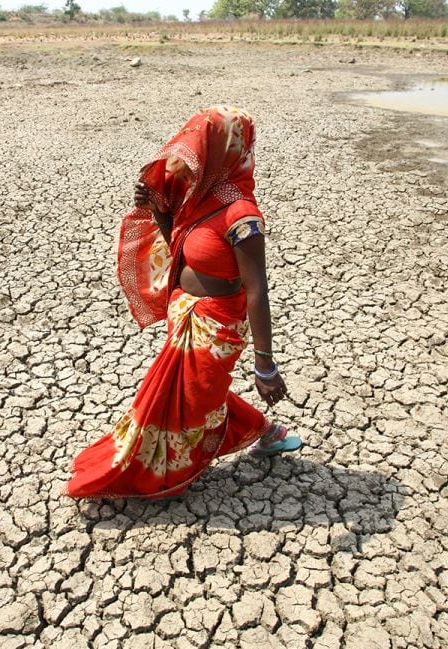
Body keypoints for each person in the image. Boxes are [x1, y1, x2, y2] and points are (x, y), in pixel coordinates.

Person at [66, 105, 301, 500]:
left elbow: (257, 290)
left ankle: (156, 472)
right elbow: (177, 246)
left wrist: (265, 365)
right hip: (185, 314)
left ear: (224, 152)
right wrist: (160, 211)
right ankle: (267, 432)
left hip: (216, 323)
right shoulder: (199, 198)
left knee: (191, 398)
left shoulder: (242, 214)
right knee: (193, 391)